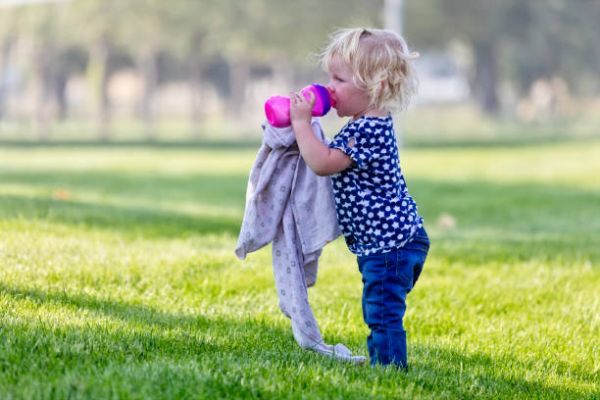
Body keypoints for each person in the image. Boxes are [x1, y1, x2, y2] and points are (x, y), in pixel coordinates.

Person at [289, 27, 430, 369]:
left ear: (375, 87)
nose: (329, 88)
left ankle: (390, 370)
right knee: (381, 308)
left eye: (339, 79)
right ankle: (385, 361)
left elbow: (323, 163)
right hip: (392, 243)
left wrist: (301, 124)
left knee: (381, 312)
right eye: (329, 77)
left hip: (391, 247)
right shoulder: (366, 123)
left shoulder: (367, 130)